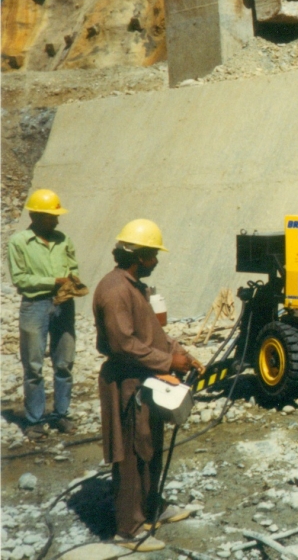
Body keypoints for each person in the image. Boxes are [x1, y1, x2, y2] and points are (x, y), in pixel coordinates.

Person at [93, 219, 203, 550]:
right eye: (152, 255)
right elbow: (123, 343)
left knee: (149, 445)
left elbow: (151, 335)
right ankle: (129, 528)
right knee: (129, 454)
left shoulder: (134, 286)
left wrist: (178, 353)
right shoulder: (115, 291)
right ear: (138, 256)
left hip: (145, 380)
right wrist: (168, 363)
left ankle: (151, 505)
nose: (156, 261)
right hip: (126, 385)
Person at [7, 189, 79, 439]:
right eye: (51, 216)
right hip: (34, 306)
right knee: (34, 365)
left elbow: (73, 267)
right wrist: (53, 281)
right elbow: (20, 280)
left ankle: (61, 414)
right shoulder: (19, 242)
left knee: (64, 363)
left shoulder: (64, 240)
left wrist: (72, 283)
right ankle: (34, 419)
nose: (56, 221)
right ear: (36, 216)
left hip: (64, 304)